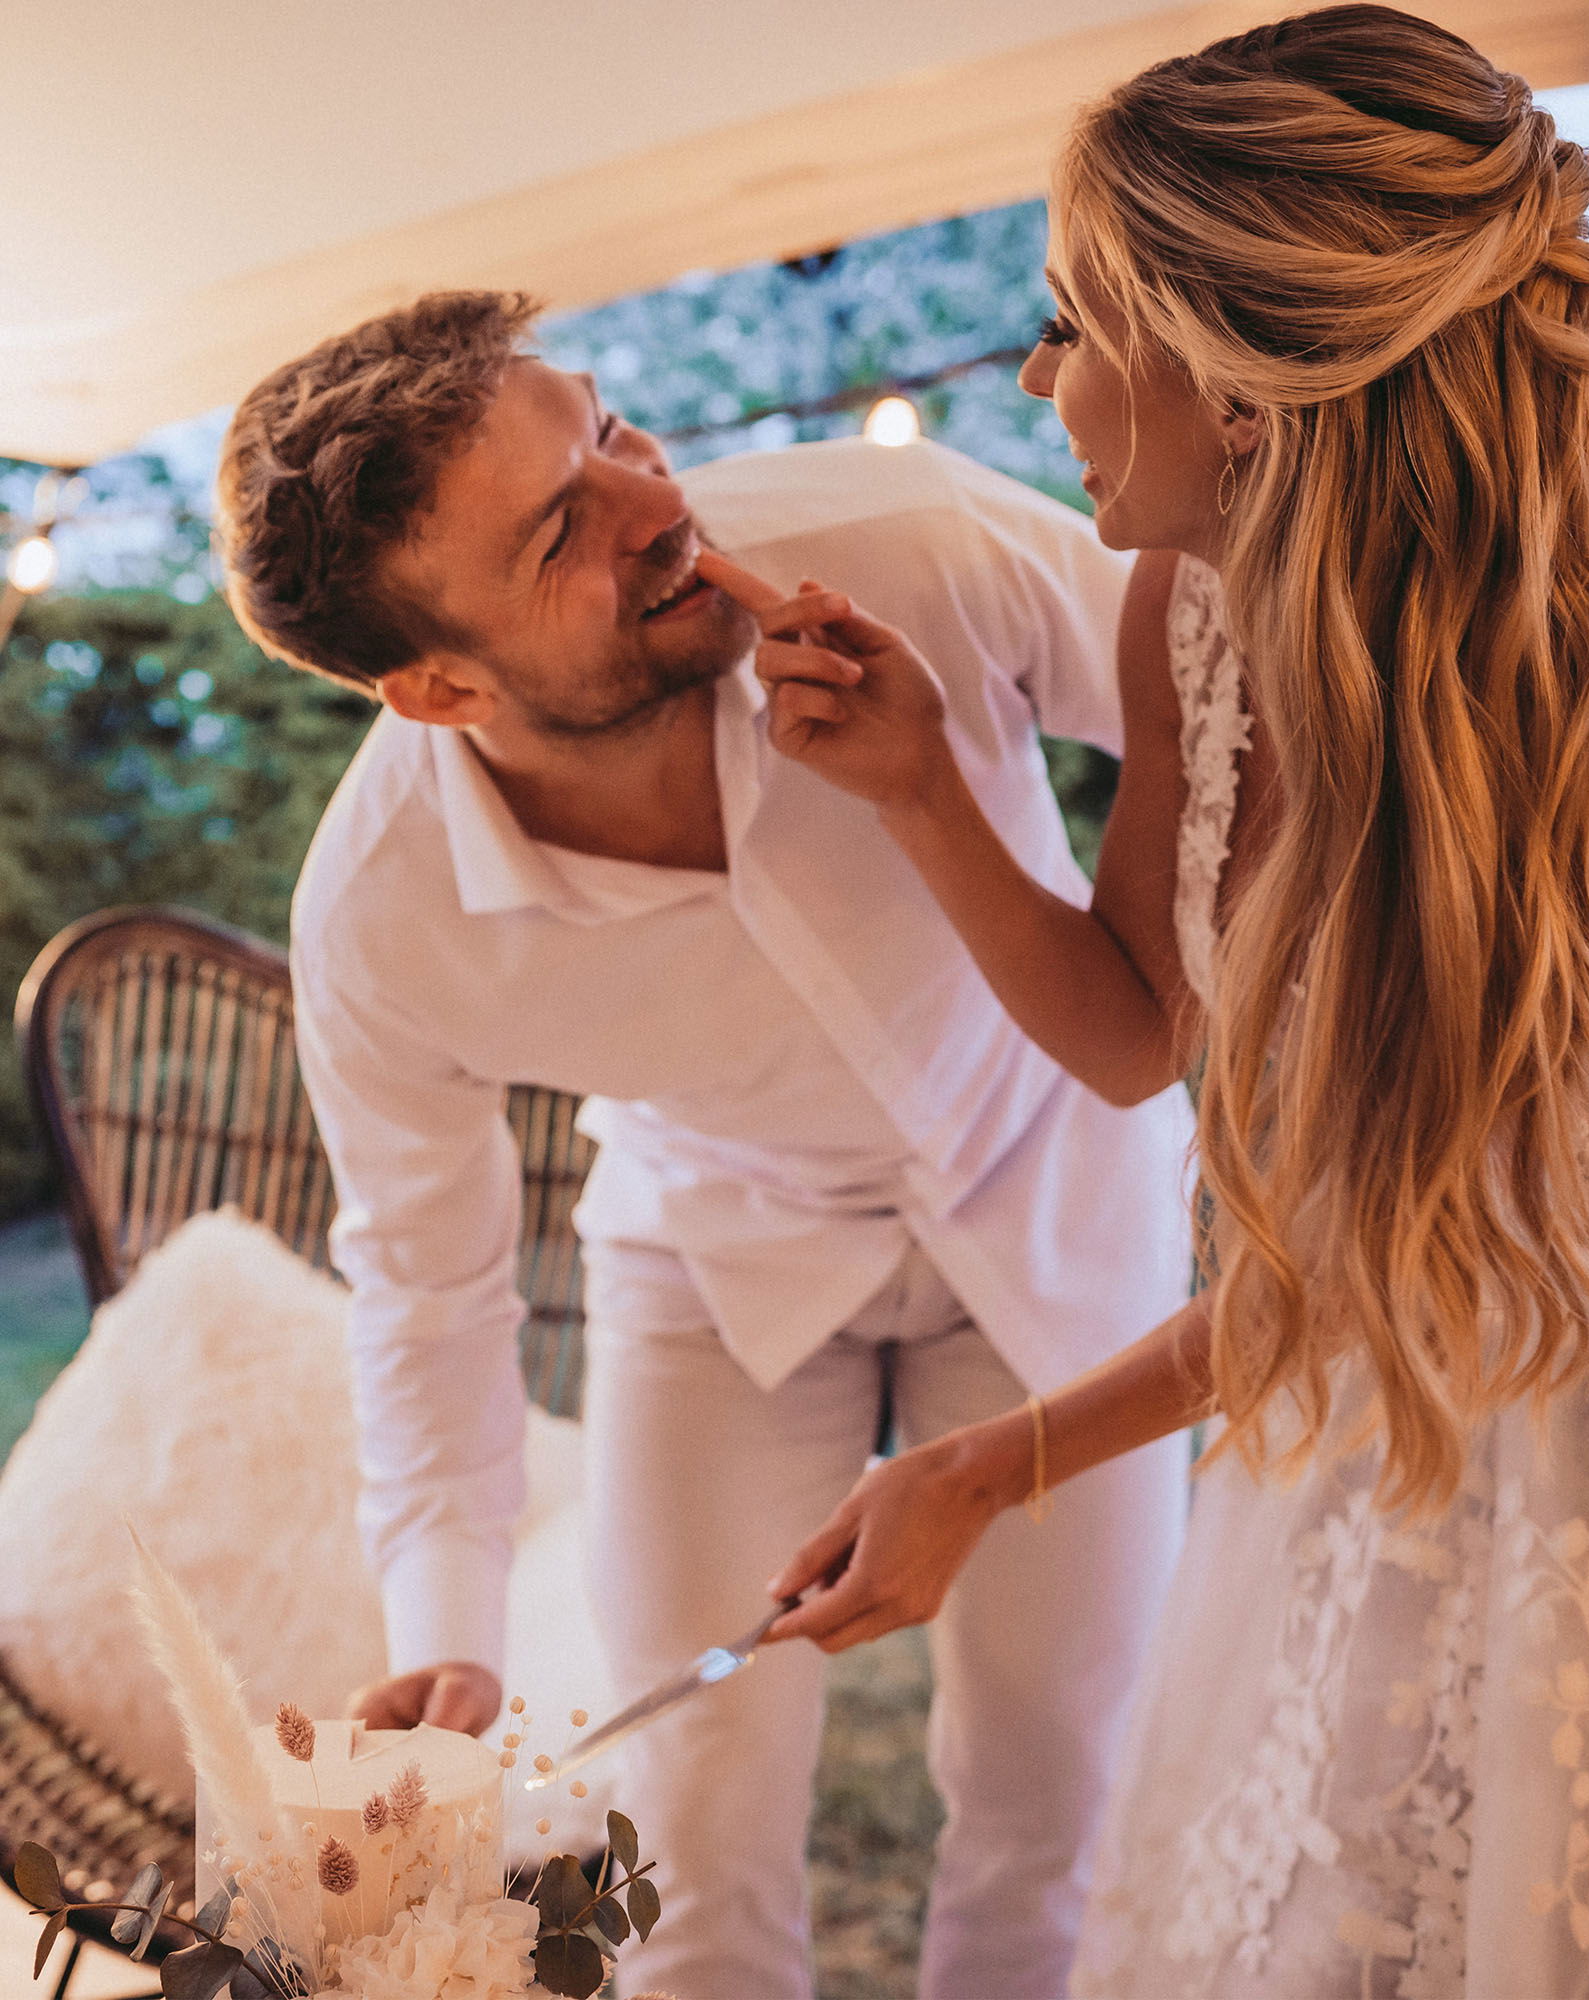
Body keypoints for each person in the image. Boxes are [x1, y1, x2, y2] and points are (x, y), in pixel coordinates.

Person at [757, 9, 1589, 1995]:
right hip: (1419, 1356)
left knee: (1581, 1896)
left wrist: (988, 1464)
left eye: (1075, 320)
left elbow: (1354, 1270)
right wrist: (920, 786)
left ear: (1235, 388)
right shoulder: (1185, 613)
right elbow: (1130, 1032)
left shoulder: (1568, 817)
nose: (1033, 374)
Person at [210, 291, 1198, 2000]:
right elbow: (426, 1292)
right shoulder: (382, 923)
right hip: (717, 1261)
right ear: (441, 687)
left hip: (1062, 1189)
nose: (654, 504)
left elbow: (1264, 700)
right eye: (557, 531)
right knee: (685, 1835)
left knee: (1061, 1794)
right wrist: (446, 1630)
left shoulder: (905, 535)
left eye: (605, 431)